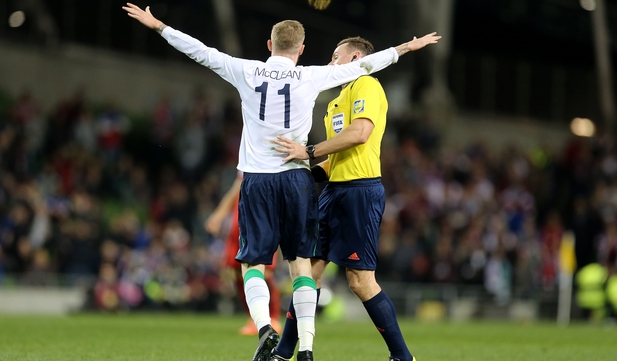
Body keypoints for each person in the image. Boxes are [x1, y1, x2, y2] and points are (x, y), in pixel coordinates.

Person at [123, 4, 440, 361]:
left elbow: (200, 51)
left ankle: (269, 331)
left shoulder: (249, 70)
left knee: (266, 266)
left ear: (269, 44)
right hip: (301, 181)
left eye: (338, 56)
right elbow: (367, 64)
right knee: (305, 266)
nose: (334, 61)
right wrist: (403, 50)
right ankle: (300, 349)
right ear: (301, 50)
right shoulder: (315, 80)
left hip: (276, 181)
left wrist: (159, 25)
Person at [273, 37, 418, 361]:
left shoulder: (366, 85)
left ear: (355, 57)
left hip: (360, 192)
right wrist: (300, 178)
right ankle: (282, 354)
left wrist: (307, 151)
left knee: (360, 281)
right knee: (307, 275)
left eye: (335, 56)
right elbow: (333, 160)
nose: (330, 62)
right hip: (334, 191)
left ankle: (402, 357)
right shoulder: (335, 102)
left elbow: (360, 134)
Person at [205, 173, 282, 336]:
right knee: (237, 273)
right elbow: (236, 188)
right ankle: (253, 318)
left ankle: (273, 318)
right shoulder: (248, 157)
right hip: (240, 223)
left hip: (263, 219)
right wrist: (219, 216)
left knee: (265, 272)